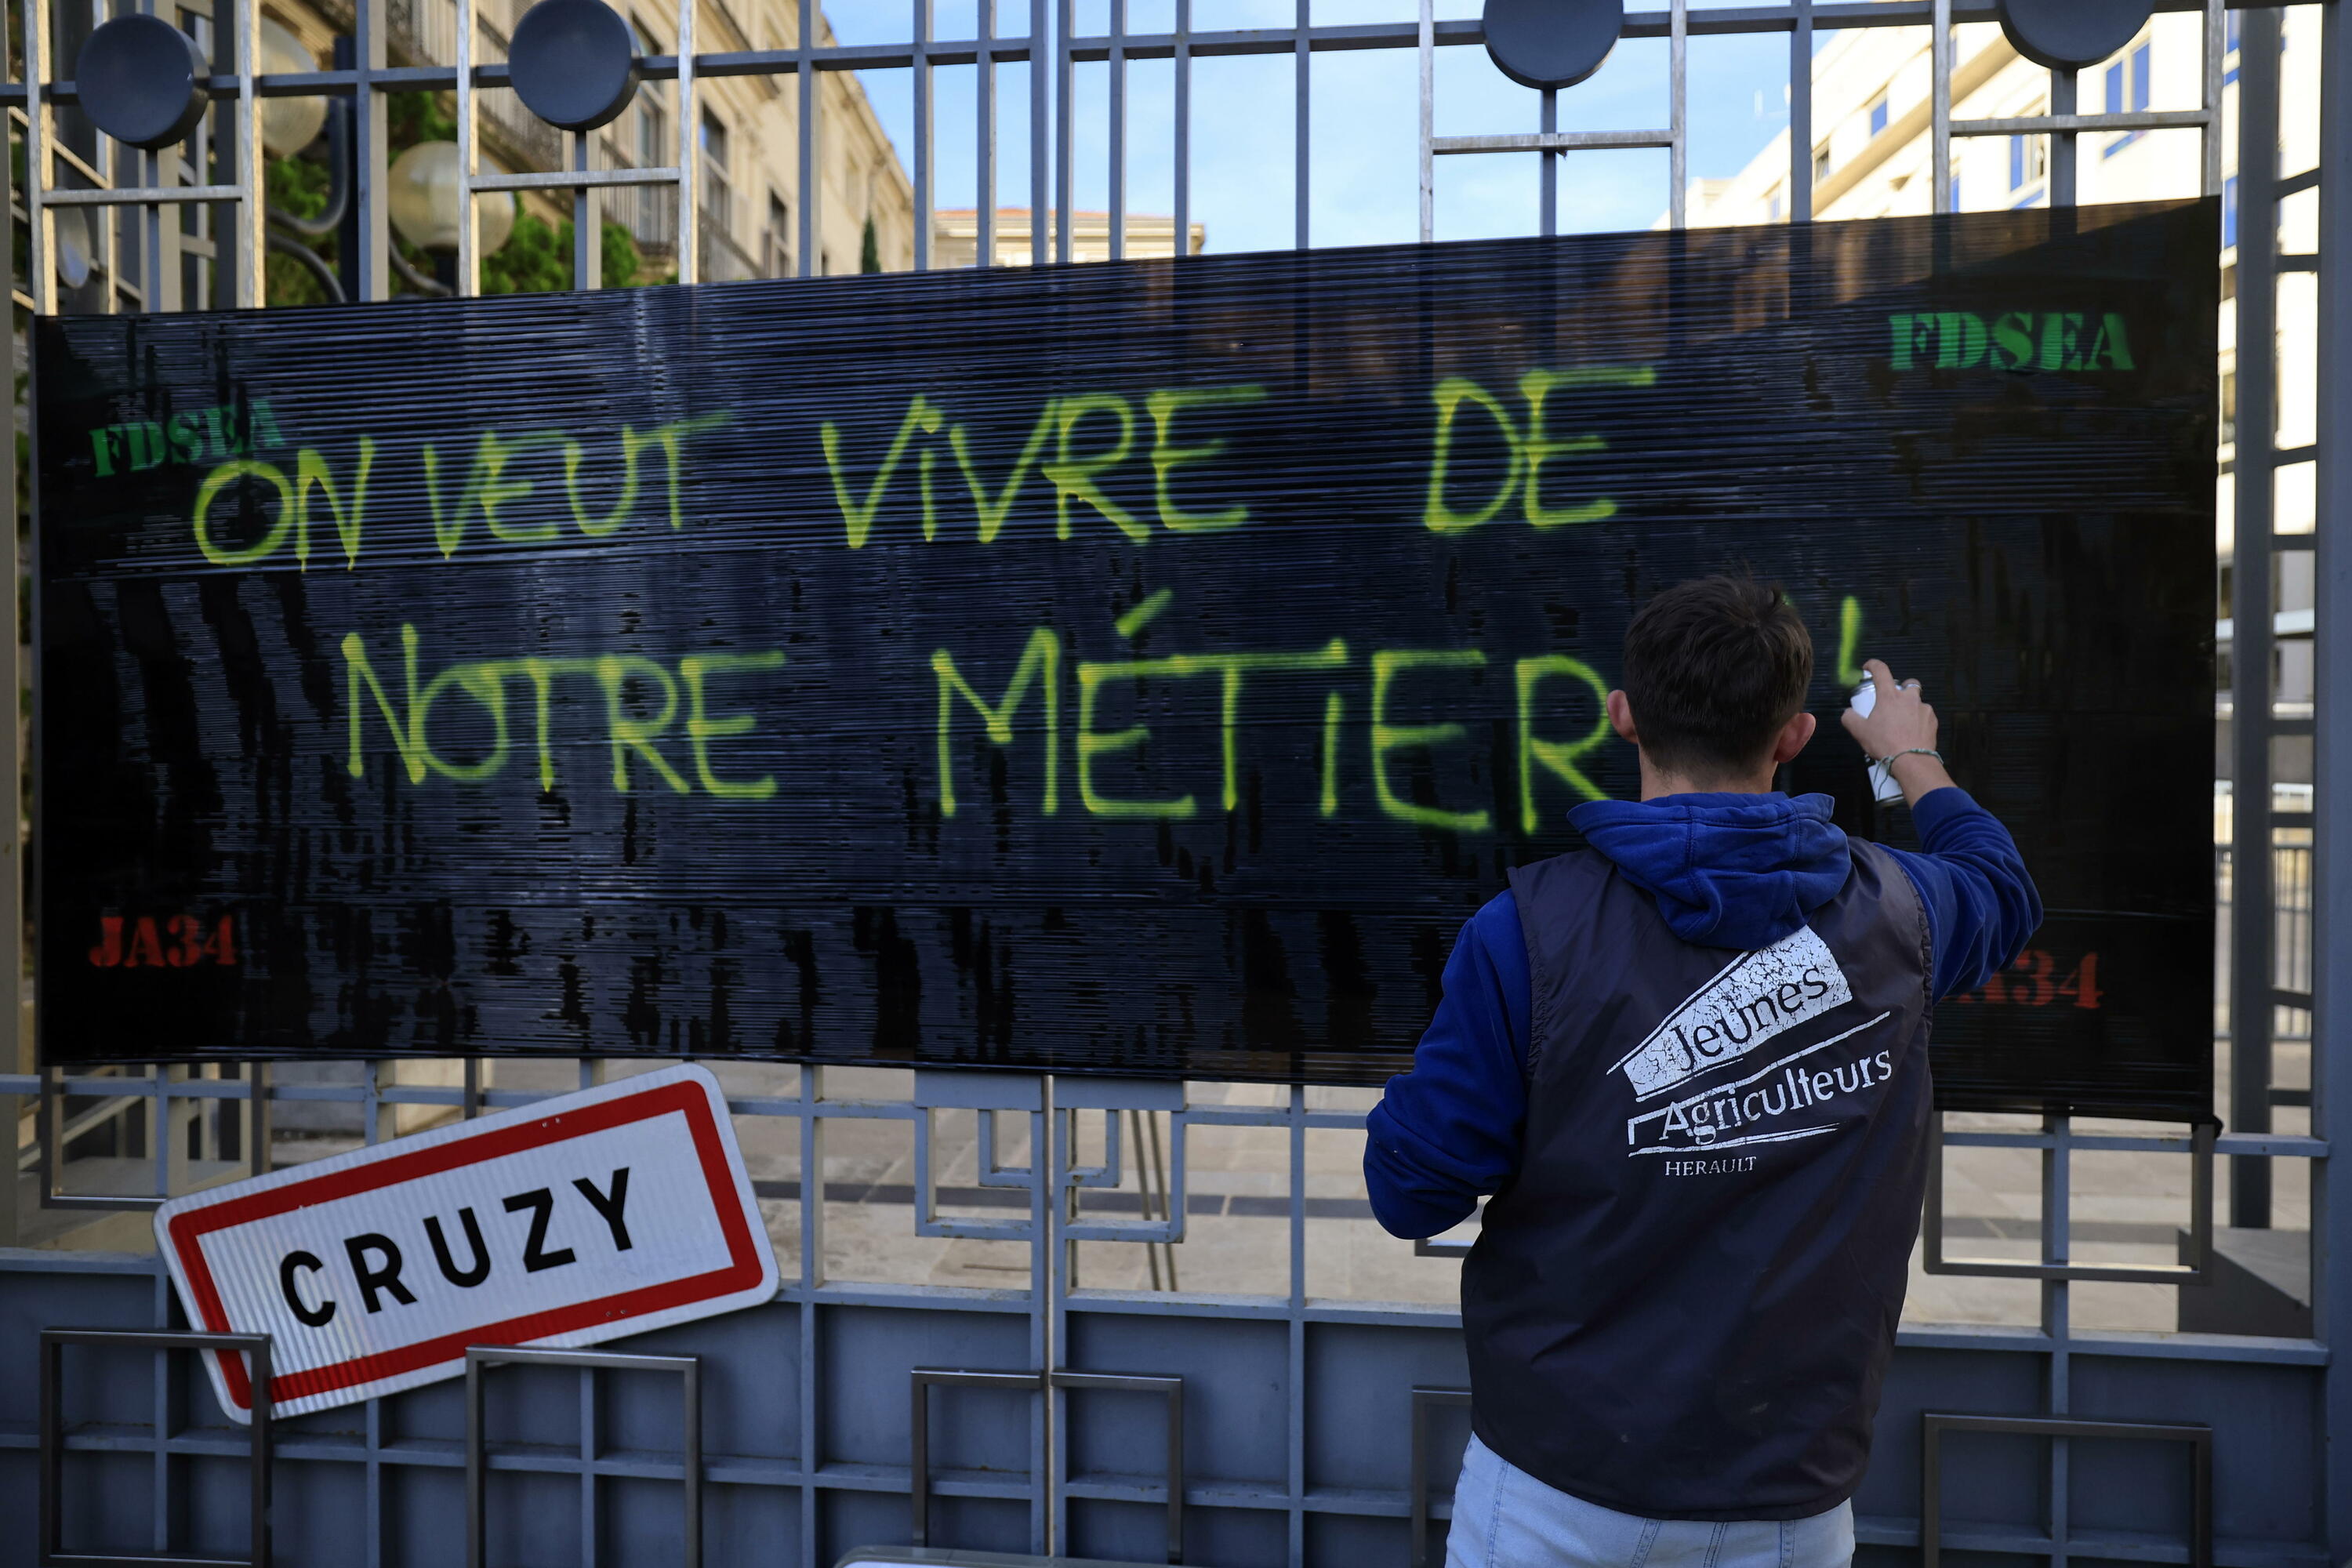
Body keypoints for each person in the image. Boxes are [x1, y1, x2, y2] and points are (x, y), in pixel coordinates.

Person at [1363, 575, 2041, 1568]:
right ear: (1796, 734)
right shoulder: (1907, 912)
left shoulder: (1523, 936)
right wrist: (1909, 752)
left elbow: (1408, 1193)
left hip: (1555, 1494)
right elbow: (2004, 888)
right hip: (1790, 1506)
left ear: (1623, 715)